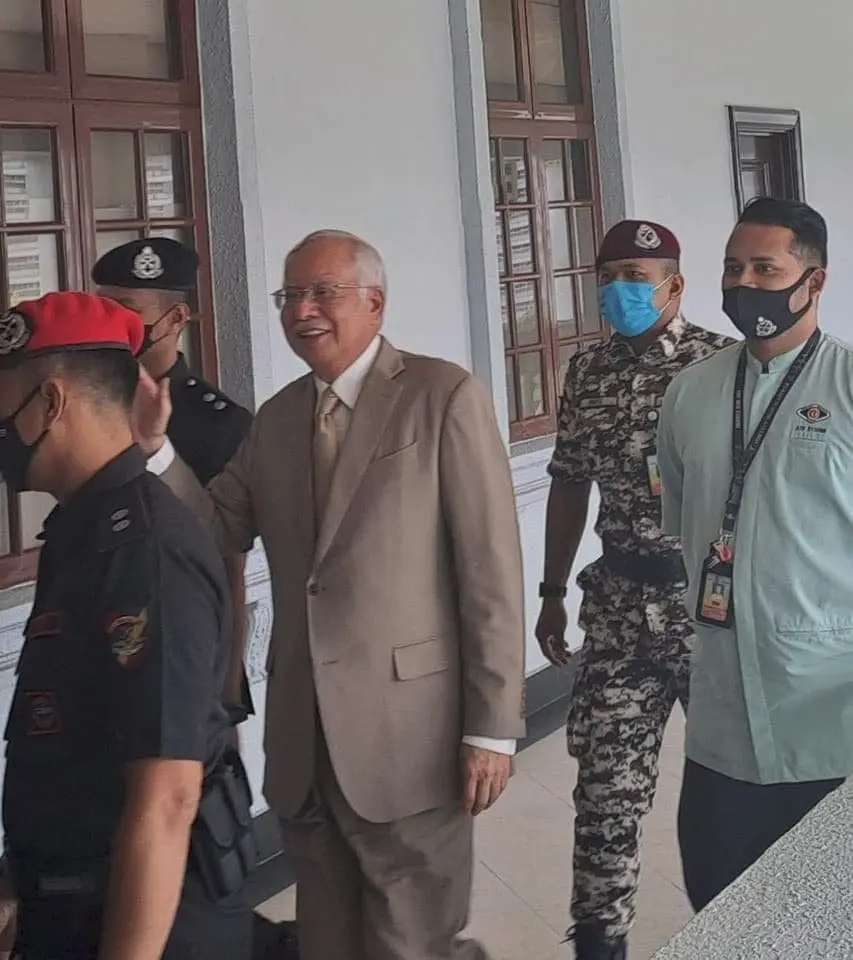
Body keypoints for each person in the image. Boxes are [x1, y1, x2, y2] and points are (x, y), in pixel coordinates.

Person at [135, 229, 526, 960]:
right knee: (326, 942)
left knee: (410, 942)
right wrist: (156, 451)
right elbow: (215, 525)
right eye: (290, 295)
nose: (302, 310)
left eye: (323, 292)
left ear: (375, 303)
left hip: (411, 738)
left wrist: (492, 728)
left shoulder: (441, 396)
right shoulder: (278, 418)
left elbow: (490, 570)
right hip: (304, 742)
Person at [0, 293, 253, 959]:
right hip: (74, 907)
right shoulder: (82, 528)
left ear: (49, 404)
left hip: (149, 928)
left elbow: (168, 797)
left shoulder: (146, 549)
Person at [534, 221, 733, 959]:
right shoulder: (587, 372)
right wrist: (551, 590)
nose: (619, 290)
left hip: (708, 616)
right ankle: (600, 943)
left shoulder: (722, 366)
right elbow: (568, 484)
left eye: (636, 277)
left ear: (674, 285)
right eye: (609, 276)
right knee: (605, 800)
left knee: (731, 795)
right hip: (618, 611)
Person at [657, 197, 851, 911]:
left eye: (765, 268)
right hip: (720, 721)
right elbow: (684, 518)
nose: (743, 283)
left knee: (823, 924)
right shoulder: (689, 393)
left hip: (830, 723)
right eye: (732, 267)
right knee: (720, 907)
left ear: (813, 281)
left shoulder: (846, 387)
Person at [93, 237, 254, 722]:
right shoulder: (93, 405)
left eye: (128, 310)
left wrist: (226, 690)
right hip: (96, 626)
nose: (113, 324)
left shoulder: (217, 422)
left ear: (177, 318)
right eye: (103, 309)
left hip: (181, 643)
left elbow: (228, 567)